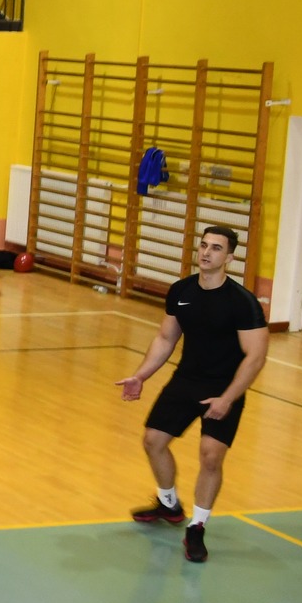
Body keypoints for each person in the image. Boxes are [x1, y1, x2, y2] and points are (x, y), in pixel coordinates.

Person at [116, 225, 269, 563]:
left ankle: (197, 526)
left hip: (224, 387)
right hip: (186, 380)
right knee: (153, 440)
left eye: (216, 248)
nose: (206, 252)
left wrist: (228, 398)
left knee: (211, 456)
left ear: (229, 258)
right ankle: (169, 504)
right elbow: (165, 339)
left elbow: (256, 357)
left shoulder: (242, 302)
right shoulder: (181, 291)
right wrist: (141, 375)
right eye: (203, 245)